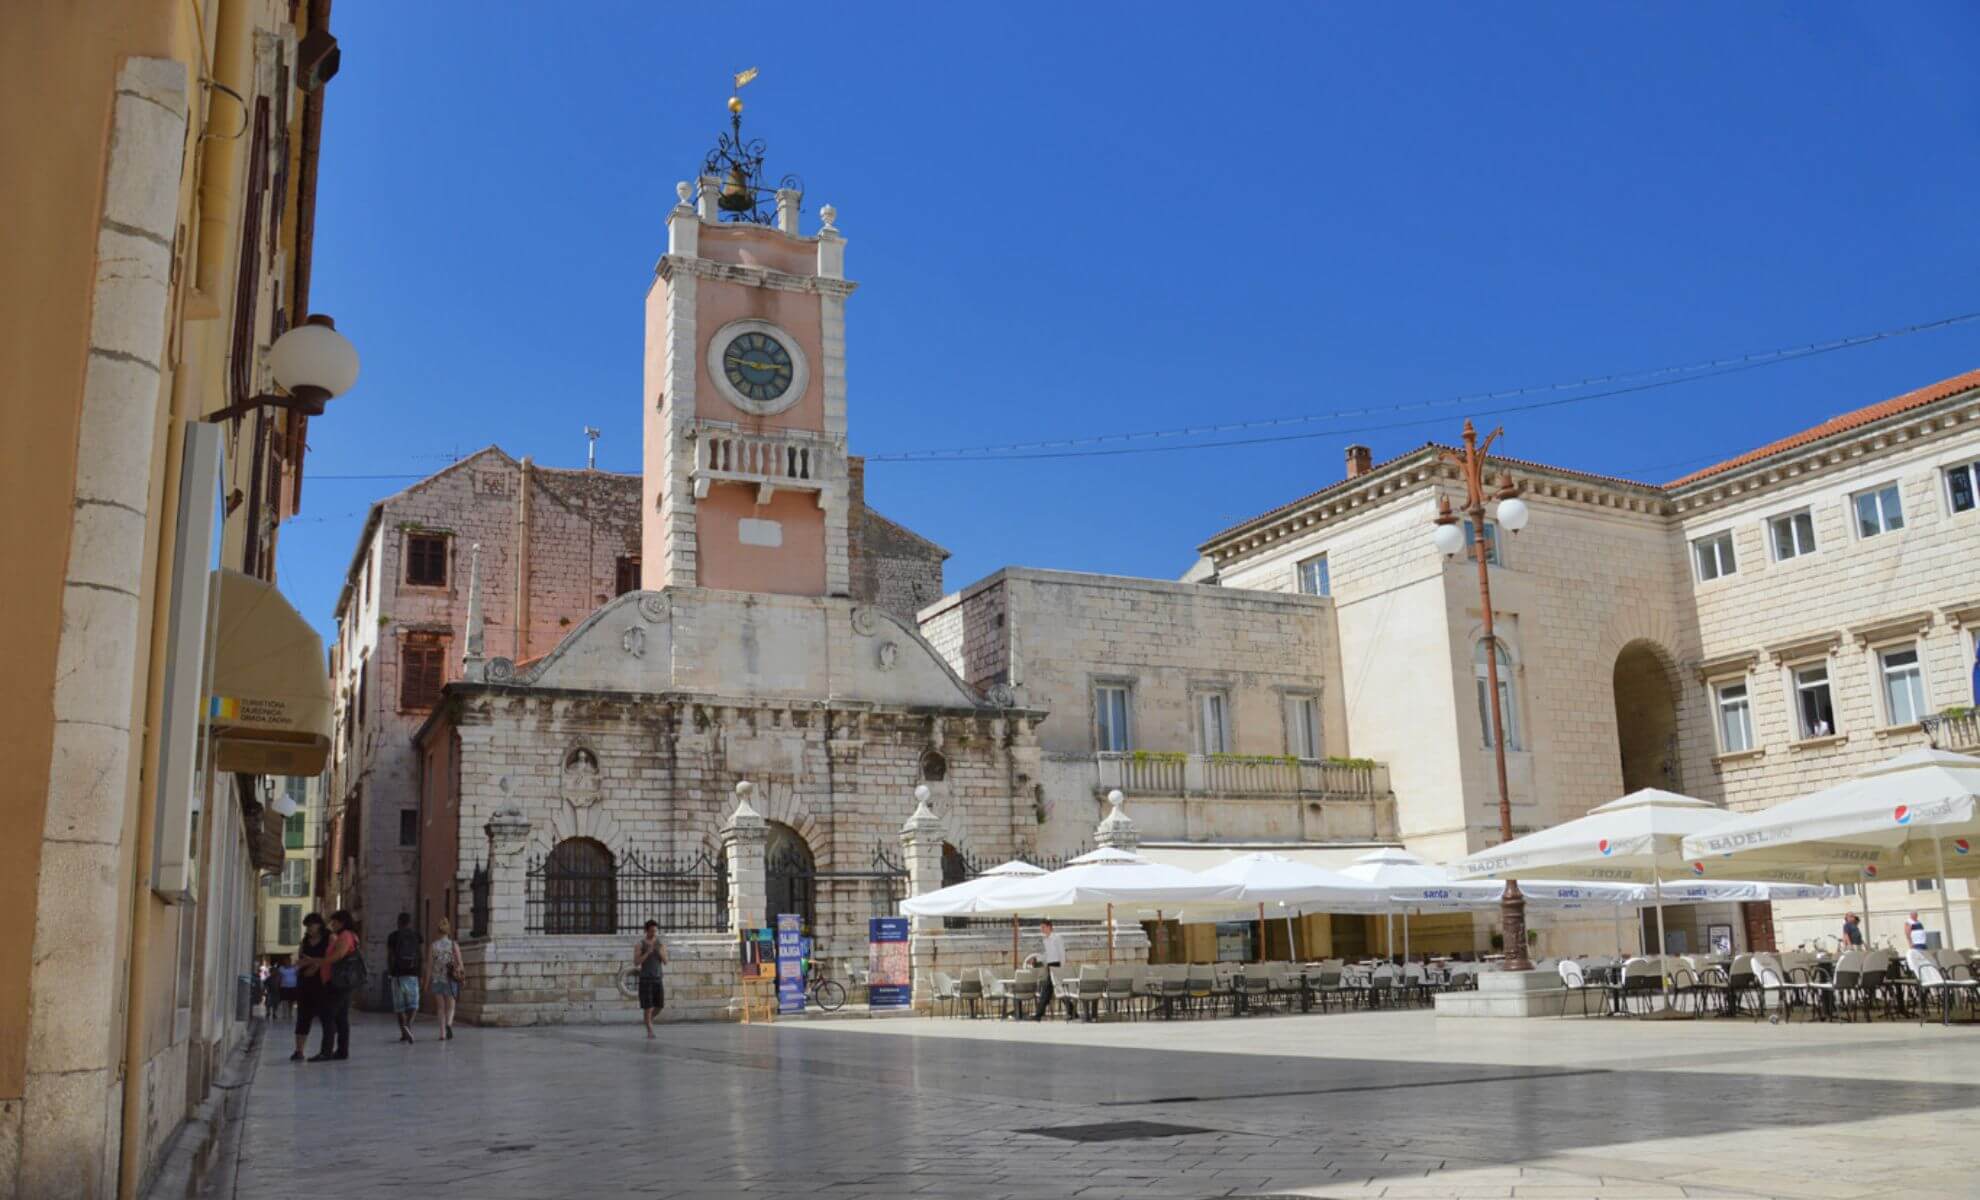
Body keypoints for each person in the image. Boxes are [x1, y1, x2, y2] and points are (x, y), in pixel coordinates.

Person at [314, 910, 360, 1061]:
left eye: (334, 922)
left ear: (342, 922)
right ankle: (341, 1051)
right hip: (340, 982)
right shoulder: (348, 935)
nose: (332, 925)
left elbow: (339, 955)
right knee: (341, 1017)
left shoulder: (345, 936)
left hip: (337, 983)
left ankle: (326, 1051)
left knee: (328, 1015)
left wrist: (320, 962)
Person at [291, 913, 329, 1062]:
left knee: (326, 1018)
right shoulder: (305, 941)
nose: (309, 929)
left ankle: (326, 1050)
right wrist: (308, 965)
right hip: (305, 982)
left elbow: (331, 958)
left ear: (319, 924)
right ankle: (299, 1050)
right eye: (307, 926)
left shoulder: (328, 939)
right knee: (303, 1017)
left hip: (322, 983)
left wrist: (314, 965)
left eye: (311, 925)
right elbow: (300, 960)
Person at [385, 912, 422, 1044]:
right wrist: (420, 974)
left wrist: (390, 971)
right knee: (414, 1005)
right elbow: (420, 955)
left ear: (398, 922)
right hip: (412, 974)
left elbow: (389, 956)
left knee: (400, 1006)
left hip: (397, 975)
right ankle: (408, 1026)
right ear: (410, 922)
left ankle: (403, 1032)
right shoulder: (417, 936)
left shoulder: (392, 936)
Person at [429, 918, 463, 1040]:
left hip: (437, 979)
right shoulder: (454, 945)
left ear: (438, 931)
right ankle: (449, 1024)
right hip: (450, 979)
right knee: (451, 1006)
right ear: (448, 931)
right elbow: (460, 964)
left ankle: (442, 1033)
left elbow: (429, 966)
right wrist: (461, 975)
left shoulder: (433, 946)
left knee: (440, 1007)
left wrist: (426, 981)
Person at [633, 920, 668, 1038]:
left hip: (658, 978)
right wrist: (647, 953)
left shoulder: (660, 944)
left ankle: (648, 1020)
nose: (654, 933)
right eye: (651, 931)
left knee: (659, 1006)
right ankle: (650, 1030)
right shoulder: (640, 944)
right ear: (646, 930)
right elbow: (636, 962)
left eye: (655, 931)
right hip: (645, 979)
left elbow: (665, 962)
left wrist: (659, 952)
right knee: (648, 1007)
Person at [1033, 919, 1064, 1022]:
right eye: (1041, 928)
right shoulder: (1045, 940)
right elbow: (1047, 955)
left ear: (1049, 927)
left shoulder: (1057, 938)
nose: (1042, 929)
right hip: (1049, 966)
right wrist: (1036, 959)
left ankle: (1038, 1015)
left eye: (1043, 927)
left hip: (1056, 966)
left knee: (1047, 990)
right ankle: (1074, 1012)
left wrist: (1061, 968)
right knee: (1056, 990)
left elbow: (1061, 953)